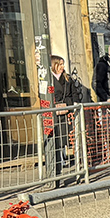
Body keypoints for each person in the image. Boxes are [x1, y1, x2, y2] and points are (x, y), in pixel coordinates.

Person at [42, 54, 82, 182]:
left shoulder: (67, 78)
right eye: (60, 64)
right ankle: (56, 163)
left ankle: (62, 159)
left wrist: (68, 105)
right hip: (53, 114)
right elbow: (44, 96)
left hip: (64, 112)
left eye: (63, 64)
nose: (62, 67)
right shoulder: (47, 79)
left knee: (63, 137)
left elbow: (74, 95)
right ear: (54, 65)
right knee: (54, 138)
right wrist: (54, 106)